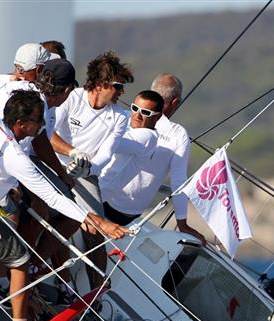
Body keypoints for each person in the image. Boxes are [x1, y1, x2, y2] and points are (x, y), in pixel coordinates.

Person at [0, 90, 128, 321]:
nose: (42, 126)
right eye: (37, 121)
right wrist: (94, 219)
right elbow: (52, 197)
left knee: (12, 213)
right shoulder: (14, 156)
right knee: (21, 260)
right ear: (20, 124)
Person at [50, 51, 134, 286]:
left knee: (95, 231)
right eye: (118, 85)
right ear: (100, 84)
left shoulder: (119, 116)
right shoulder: (72, 97)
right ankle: (58, 277)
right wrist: (73, 153)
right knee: (53, 218)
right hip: (56, 164)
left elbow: (107, 152)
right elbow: (49, 134)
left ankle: (97, 290)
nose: (121, 92)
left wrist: (87, 168)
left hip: (86, 174)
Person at [146, 74, 206, 243]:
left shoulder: (129, 116)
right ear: (175, 102)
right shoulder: (178, 134)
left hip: (99, 198)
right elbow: (178, 180)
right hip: (127, 215)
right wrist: (182, 223)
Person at [88, 90, 163, 224]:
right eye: (135, 108)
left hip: (99, 191)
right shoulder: (128, 117)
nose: (137, 116)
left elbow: (110, 143)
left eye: (145, 113)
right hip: (87, 177)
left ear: (157, 117)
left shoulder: (148, 137)